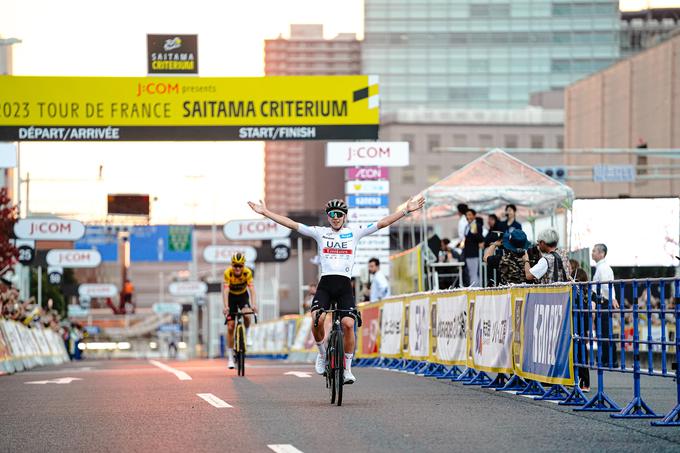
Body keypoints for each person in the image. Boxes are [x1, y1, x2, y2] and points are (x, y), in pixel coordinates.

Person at [248, 195, 425, 384]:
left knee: (349, 325)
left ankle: (347, 369)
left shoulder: (354, 233)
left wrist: (406, 210)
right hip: (325, 285)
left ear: (345, 217)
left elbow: (382, 223)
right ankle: (323, 354)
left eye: (339, 214)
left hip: (344, 286)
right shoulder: (320, 232)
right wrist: (266, 213)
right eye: (332, 214)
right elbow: (292, 224)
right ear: (328, 217)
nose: (335, 217)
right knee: (318, 319)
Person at [223, 252, 258, 370]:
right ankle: (230, 358)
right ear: (232, 265)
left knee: (247, 315)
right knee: (230, 327)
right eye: (235, 265)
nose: (237, 268)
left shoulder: (247, 273)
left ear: (243, 265)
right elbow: (225, 291)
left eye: (240, 266)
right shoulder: (228, 273)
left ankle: (247, 335)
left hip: (243, 296)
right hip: (231, 298)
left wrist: (254, 304)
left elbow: (252, 290)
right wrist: (226, 306)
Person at [591, 243, 619, 368]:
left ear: (601, 254)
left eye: (594, 251)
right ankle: (608, 359)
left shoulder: (603, 268)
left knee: (604, 332)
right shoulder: (602, 267)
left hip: (603, 302)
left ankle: (609, 360)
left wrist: (612, 298)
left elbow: (607, 286)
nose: (592, 253)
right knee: (603, 332)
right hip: (603, 301)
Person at [570, 259, 591, 391]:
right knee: (577, 352)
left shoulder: (581, 292)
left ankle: (585, 382)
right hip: (578, 324)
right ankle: (579, 379)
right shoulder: (585, 292)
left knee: (581, 352)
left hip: (580, 324)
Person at [463, 208, 484, 286]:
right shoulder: (467, 226)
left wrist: (474, 231)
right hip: (468, 252)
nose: (467, 217)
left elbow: (479, 238)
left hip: (473, 252)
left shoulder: (476, 225)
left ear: (474, 216)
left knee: (474, 272)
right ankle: (474, 287)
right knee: (471, 272)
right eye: (466, 215)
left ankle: (475, 288)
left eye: (469, 215)